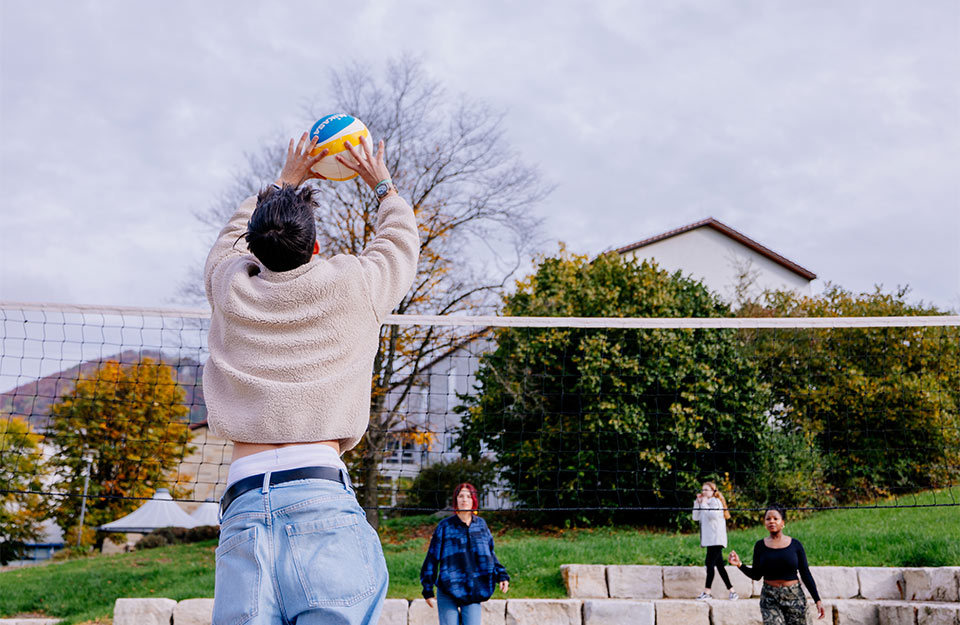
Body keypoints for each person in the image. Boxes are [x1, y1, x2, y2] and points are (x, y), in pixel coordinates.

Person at [204, 131, 420, 625]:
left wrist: (286, 180)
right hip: (320, 496)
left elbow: (226, 242)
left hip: (243, 507)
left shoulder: (228, 285)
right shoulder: (352, 285)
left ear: (253, 248)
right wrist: (382, 185)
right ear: (316, 246)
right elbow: (399, 245)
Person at [420, 483, 511, 625]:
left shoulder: (481, 525)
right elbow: (432, 558)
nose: (464, 499)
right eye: (461, 496)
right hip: (448, 587)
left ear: (473, 500)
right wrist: (427, 589)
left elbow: (490, 554)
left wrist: (501, 575)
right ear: (455, 500)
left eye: (468, 496)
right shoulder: (445, 526)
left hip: (473, 588)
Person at [728, 504, 825, 624]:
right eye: (768, 519)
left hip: (794, 596)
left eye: (775, 518)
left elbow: (805, 573)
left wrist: (817, 600)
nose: (771, 521)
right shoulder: (760, 546)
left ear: (782, 522)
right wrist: (739, 565)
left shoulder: (795, 545)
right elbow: (756, 575)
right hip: (770, 598)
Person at [692, 481, 737, 600]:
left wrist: (704, 503)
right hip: (710, 541)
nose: (704, 492)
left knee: (709, 564)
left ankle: (707, 592)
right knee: (720, 567)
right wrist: (697, 503)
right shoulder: (704, 503)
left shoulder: (716, 502)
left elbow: (712, 516)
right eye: (703, 489)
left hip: (716, 540)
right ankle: (732, 591)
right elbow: (695, 517)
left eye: (707, 490)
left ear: (713, 491)